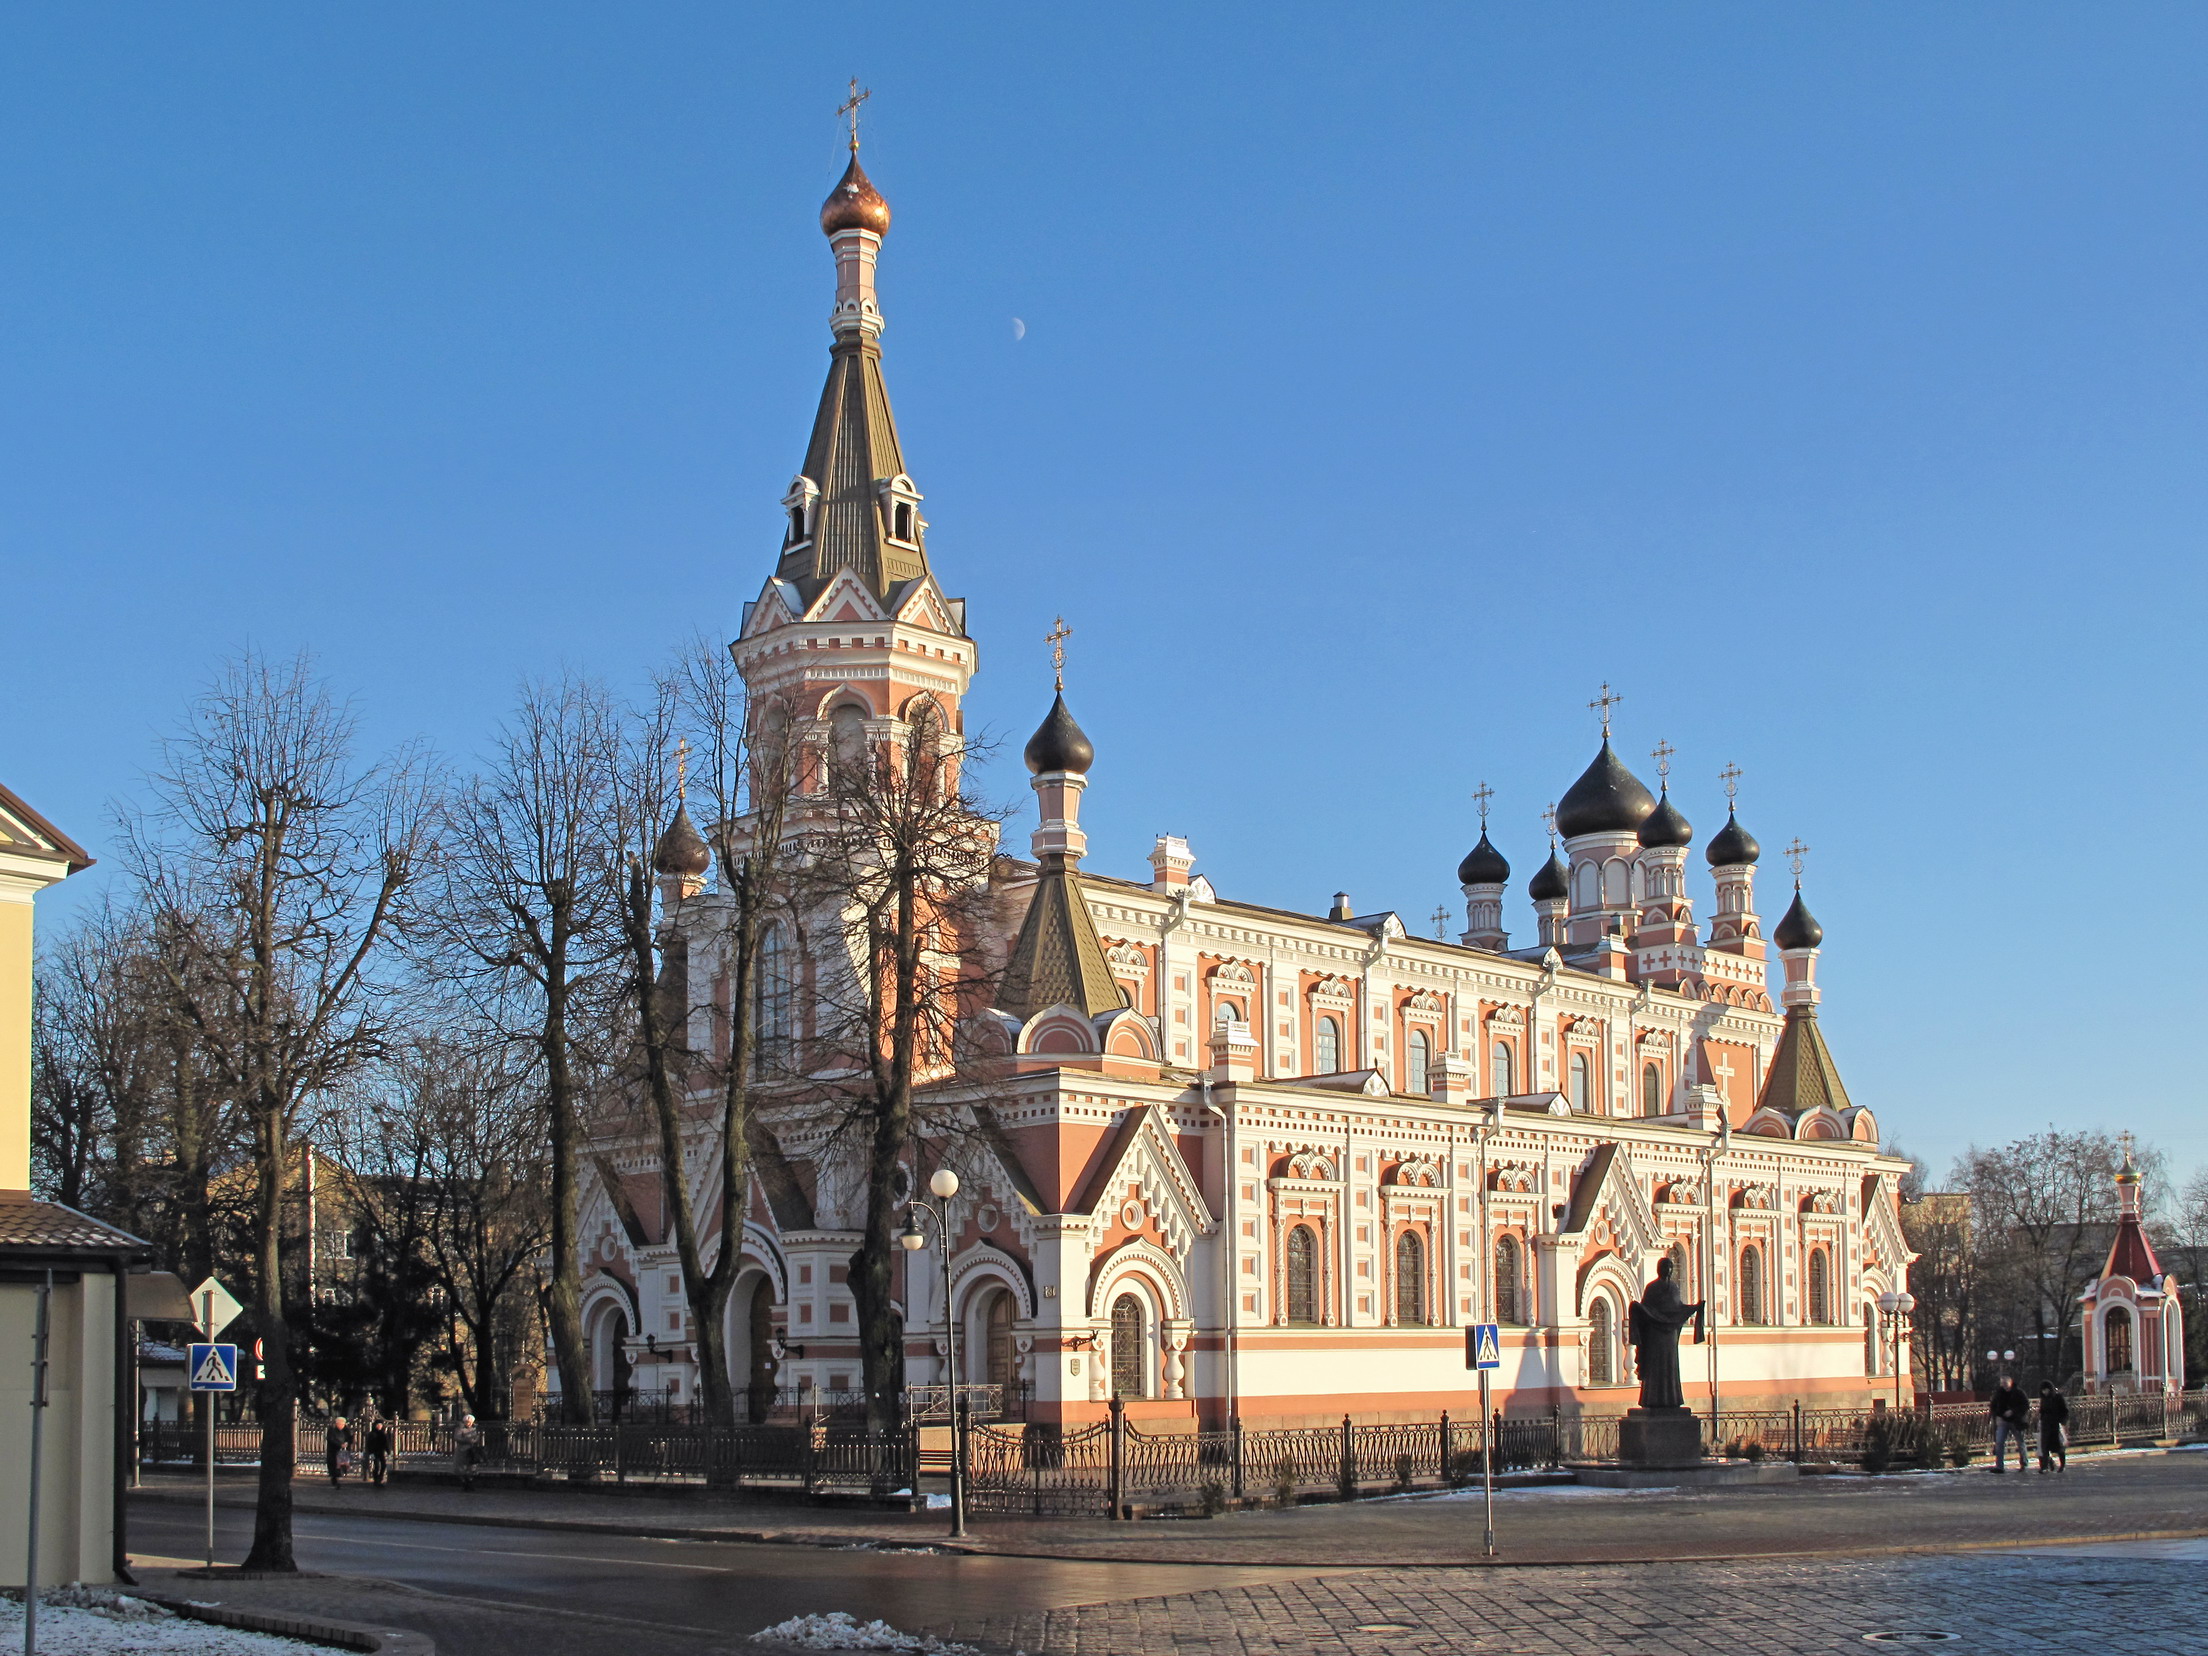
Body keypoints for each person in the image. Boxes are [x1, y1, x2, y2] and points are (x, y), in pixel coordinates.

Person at [1988, 1376, 2030, 1473]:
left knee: (2020, 1442)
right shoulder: (1999, 1393)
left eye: (2005, 1384)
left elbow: (2026, 1405)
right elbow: (1993, 1405)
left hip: (2016, 1420)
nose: (2004, 1386)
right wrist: (1996, 1415)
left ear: (2010, 1383)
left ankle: (2024, 1463)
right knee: (1999, 1442)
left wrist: (2013, 1411)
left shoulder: (2019, 1392)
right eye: (2002, 1384)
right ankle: (1999, 1466)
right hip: (2003, 1420)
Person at [2038, 1381, 2069, 1473]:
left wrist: (2063, 1421)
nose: (2045, 1392)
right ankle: (2045, 1466)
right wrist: (2041, 1420)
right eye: (2043, 1390)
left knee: (2059, 1446)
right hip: (2046, 1425)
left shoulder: (2058, 1397)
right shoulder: (2044, 1399)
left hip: (2056, 1424)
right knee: (2045, 1447)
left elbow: (2065, 1410)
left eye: (2046, 1390)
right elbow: (2042, 1411)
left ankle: (2062, 1464)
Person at [455, 1413, 484, 1492]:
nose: (469, 1423)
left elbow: (476, 1437)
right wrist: (467, 1440)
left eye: (470, 1422)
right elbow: (457, 1438)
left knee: (471, 1468)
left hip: (472, 1451)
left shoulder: (474, 1429)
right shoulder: (460, 1429)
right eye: (467, 1422)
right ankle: (464, 1484)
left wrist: (474, 1440)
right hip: (462, 1451)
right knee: (461, 1469)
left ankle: (470, 1484)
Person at [363, 1413, 393, 1487]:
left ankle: (380, 1478)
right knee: (376, 1466)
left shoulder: (383, 1433)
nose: (379, 1426)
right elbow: (369, 1444)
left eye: (380, 1425)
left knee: (383, 1465)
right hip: (374, 1452)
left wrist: (388, 1451)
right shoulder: (372, 1434)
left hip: (381, 1451)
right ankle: (376, 1479)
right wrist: (370, 1452)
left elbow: (386, 1443)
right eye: (378, 1425)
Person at [325, 1416, 355, 1488]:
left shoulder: (346, 1430)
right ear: (337, 1424)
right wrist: (339, 1445)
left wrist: (347, 1443)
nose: (342, 1425)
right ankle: (335, 1479)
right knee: (334, 1466)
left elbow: (350, 1438)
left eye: (343, 1424)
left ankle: (340, 1476)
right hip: (334, 1451)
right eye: (340, 1424)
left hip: (343, 1452)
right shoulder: (332, 1430)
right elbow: (330, 1439)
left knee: (342, 1465)